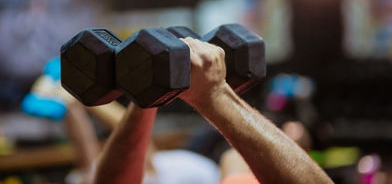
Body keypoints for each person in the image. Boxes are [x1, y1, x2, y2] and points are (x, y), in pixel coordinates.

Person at [93, 38, 333, 184]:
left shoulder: (232, 164)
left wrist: (216, 94)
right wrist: (149, 89)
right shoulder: (232, 163)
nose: (292, 133)